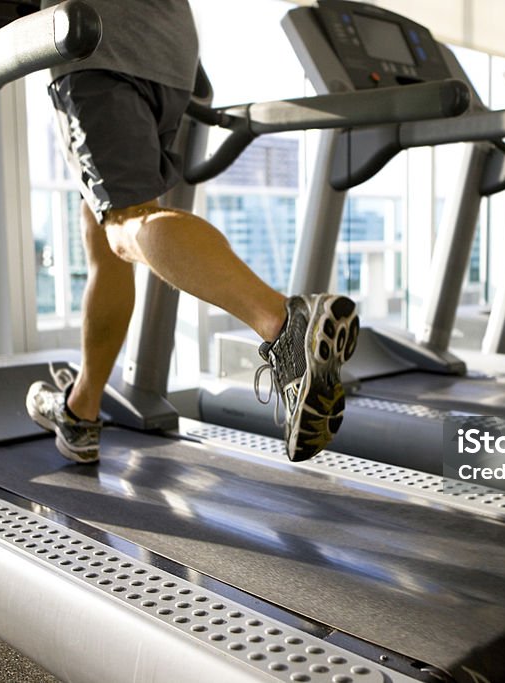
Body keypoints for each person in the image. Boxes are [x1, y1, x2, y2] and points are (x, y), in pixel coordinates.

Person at [25, 0, 358, 464]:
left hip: (97, 41)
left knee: (125, 226)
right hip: (170, 55)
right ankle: (81, 410)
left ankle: (286, 327)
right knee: (103, 228)